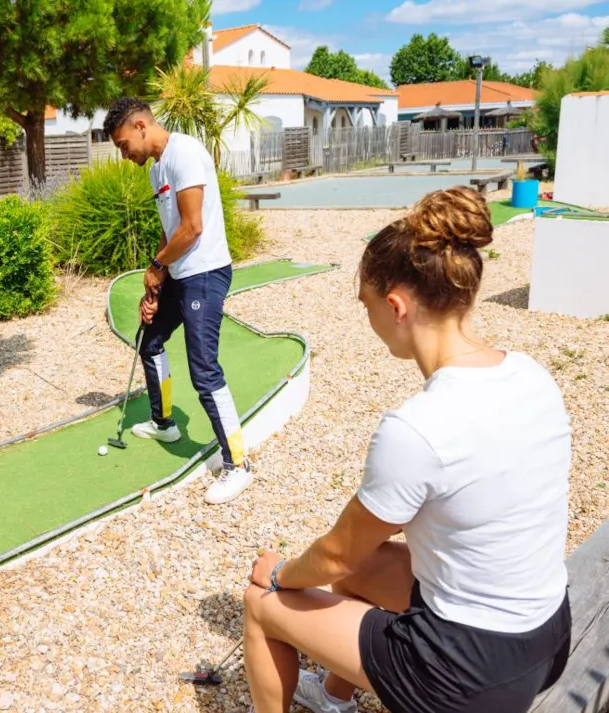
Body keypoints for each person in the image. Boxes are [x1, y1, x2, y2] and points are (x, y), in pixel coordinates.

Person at [240, 187, 572, 713]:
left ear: (395, 306)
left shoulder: (417, 428)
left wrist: (278, 575)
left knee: (262, 605)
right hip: (547, 635)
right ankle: (332, 697)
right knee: (367, 565)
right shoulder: (531, 374)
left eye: (367, 304)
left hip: (471, 677)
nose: (368, 317)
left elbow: (334, 555)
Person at [102, 97, 251, 505]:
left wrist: (155, 266)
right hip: (180, 273)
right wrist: (155, 285)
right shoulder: (157, 170)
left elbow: (193, 227)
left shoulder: (185, 153)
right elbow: (171, 233)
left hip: (204, 274)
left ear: (140, 127)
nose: (123, 153)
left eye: (122, 144)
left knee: (204, 371)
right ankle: (164, 422)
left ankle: (238, 464)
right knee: (149, 341)